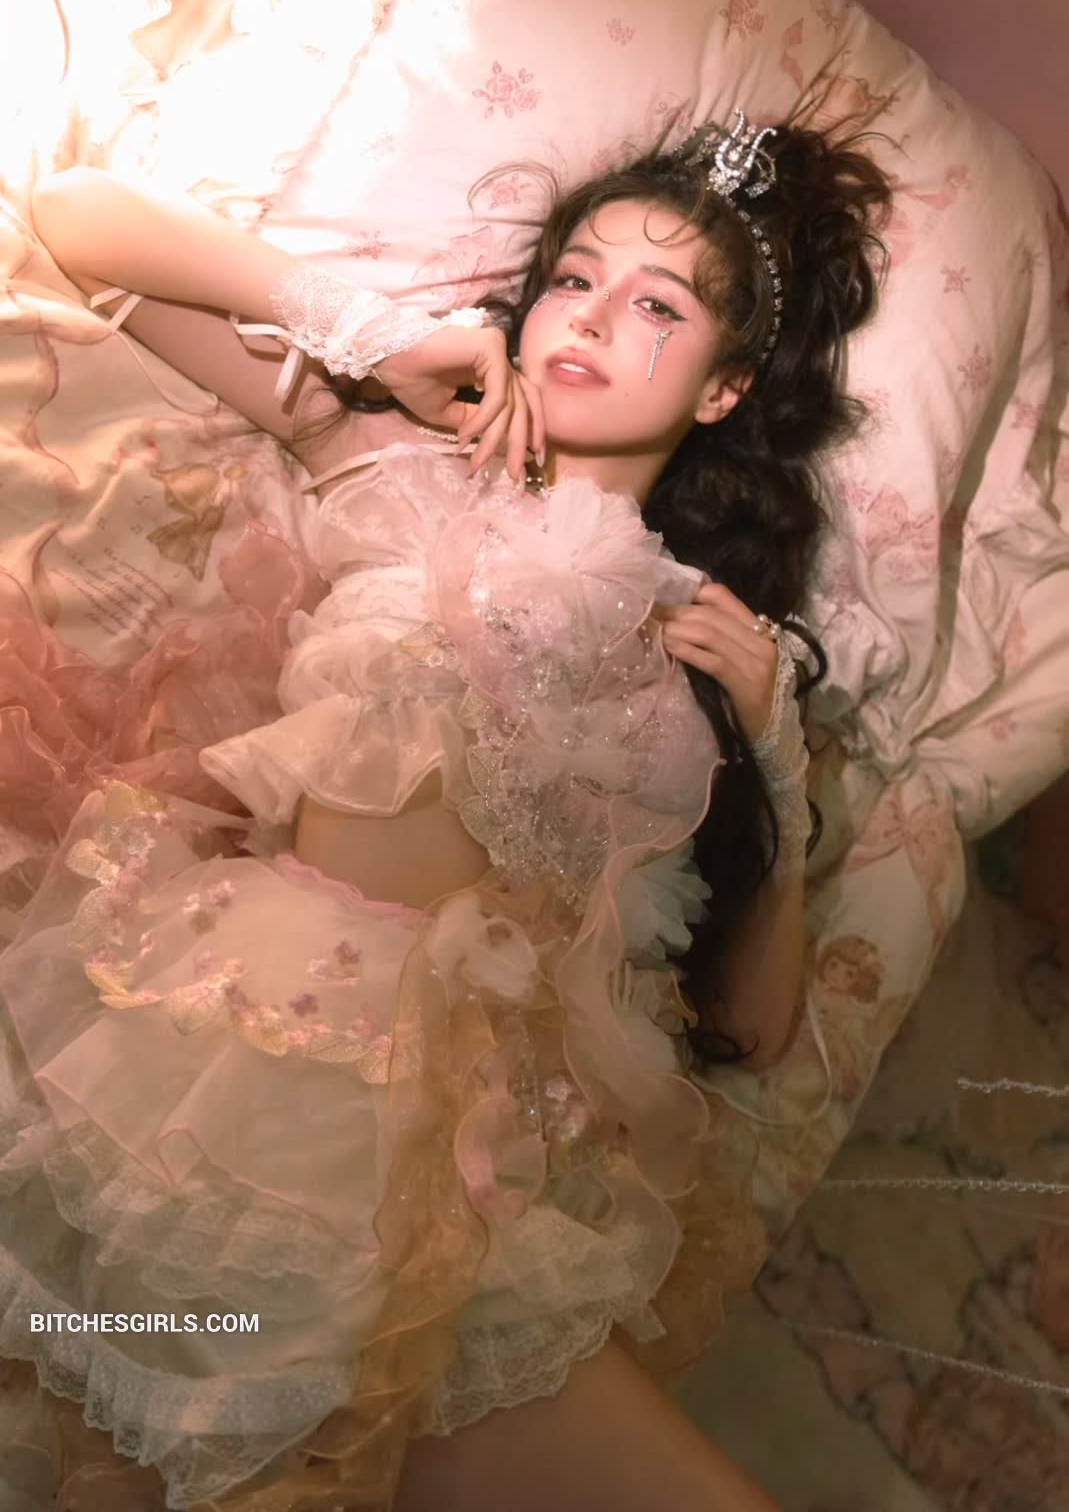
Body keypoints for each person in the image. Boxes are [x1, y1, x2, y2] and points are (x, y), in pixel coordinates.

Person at [0, 111, 888, 1512]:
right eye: (574, 278)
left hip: (485, 1187)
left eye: (657, 306)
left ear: (723, 390)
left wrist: (780, 775)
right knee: (138, 1443)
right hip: (252, 1071)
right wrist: (372, 330)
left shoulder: (718, 660)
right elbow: (77, 215)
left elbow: (756, 1032)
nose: (590, 315)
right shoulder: (394, 453)